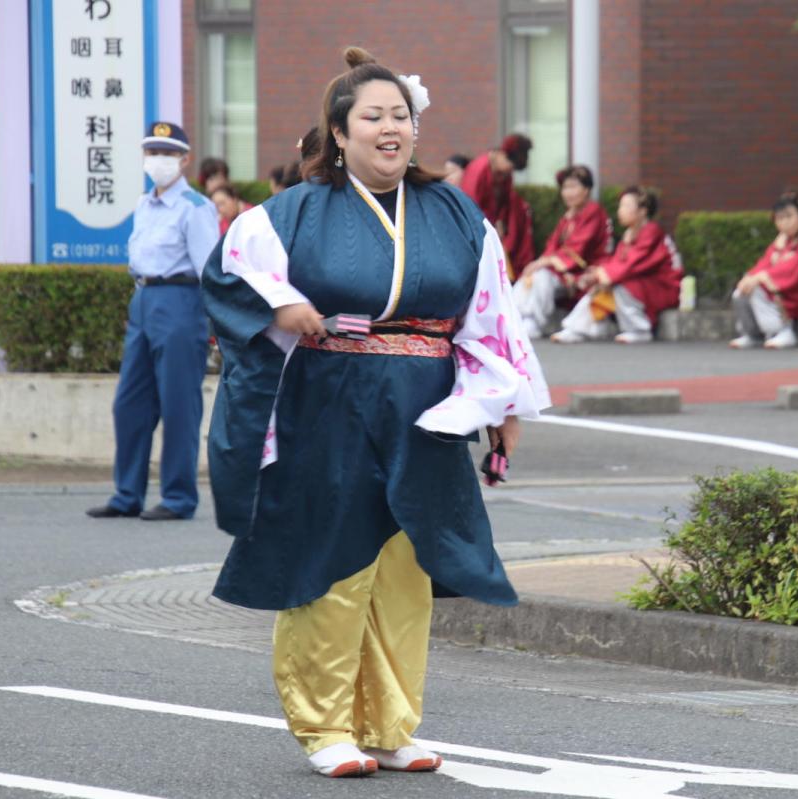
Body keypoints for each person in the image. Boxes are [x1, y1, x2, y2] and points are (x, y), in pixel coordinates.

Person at [200, 47, 549, 779]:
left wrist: (506, 401)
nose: (392, 128)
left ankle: (392, 723)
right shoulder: (293, 210)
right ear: (339, 131)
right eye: (374, 116)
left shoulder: (456, 212)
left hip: (425, 404)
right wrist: (284, 303)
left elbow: (492, 316)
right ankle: (324, 724)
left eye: (402, 116)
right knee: (331, 561)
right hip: (329, 399)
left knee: (406, 567)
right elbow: (233, 268)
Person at [86, 122, 219, 521]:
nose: (158, 160)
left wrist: (213, 324)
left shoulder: (195, 208)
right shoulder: (144, 205)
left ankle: (178, 498)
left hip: (181, 301)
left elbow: (211, 271)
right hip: (144, 300)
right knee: (129, 403)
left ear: (183, 159)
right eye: (152, 152)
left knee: (179, 402)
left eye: (167, 153)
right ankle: (127, 494)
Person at [552, 186, 683, 344]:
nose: (621, 210)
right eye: (621, 206)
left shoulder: (651, 232)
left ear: (643, 211)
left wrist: (601, 274)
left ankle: (639, 329)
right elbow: (619, 265)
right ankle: (576, 329)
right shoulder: (632, 233)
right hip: (644, 284)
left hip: (664, 288)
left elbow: (630, 265)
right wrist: (598, 275)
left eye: (627, 206)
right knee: (601, 288)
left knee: (619, 287)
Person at [512, 165, 612, 338]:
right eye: (565, 188)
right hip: (563, 269)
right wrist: (541, 262)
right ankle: (516, 319)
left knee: (541, 277)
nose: (568, 192)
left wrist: (545, 262)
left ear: (587, 189)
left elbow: (578, 249)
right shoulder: (568, 216)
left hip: (585, 270)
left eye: (573, 187)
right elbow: (552, 246)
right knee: (529, 277)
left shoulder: (593, 212)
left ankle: (533, 321)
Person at [729, 191, 798, 350]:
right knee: (742, 291)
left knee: (758, 288)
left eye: (788, 217)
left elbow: (794, 272)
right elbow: (764, 264)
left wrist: (761, 278)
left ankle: (782, 331)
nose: (784, 222)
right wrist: (750, 278)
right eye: (779, 218)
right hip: (787, 286)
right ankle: (753, 334)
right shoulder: (780, 241)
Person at [460, 133, 533, 276]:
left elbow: (505, 204)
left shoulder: (504, 174)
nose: (508, 171)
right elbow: (469, 209)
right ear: (500, 153)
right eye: (509, 164)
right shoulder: (478, 171)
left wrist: (499, 223)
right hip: (476, 232)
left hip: (494, 229)